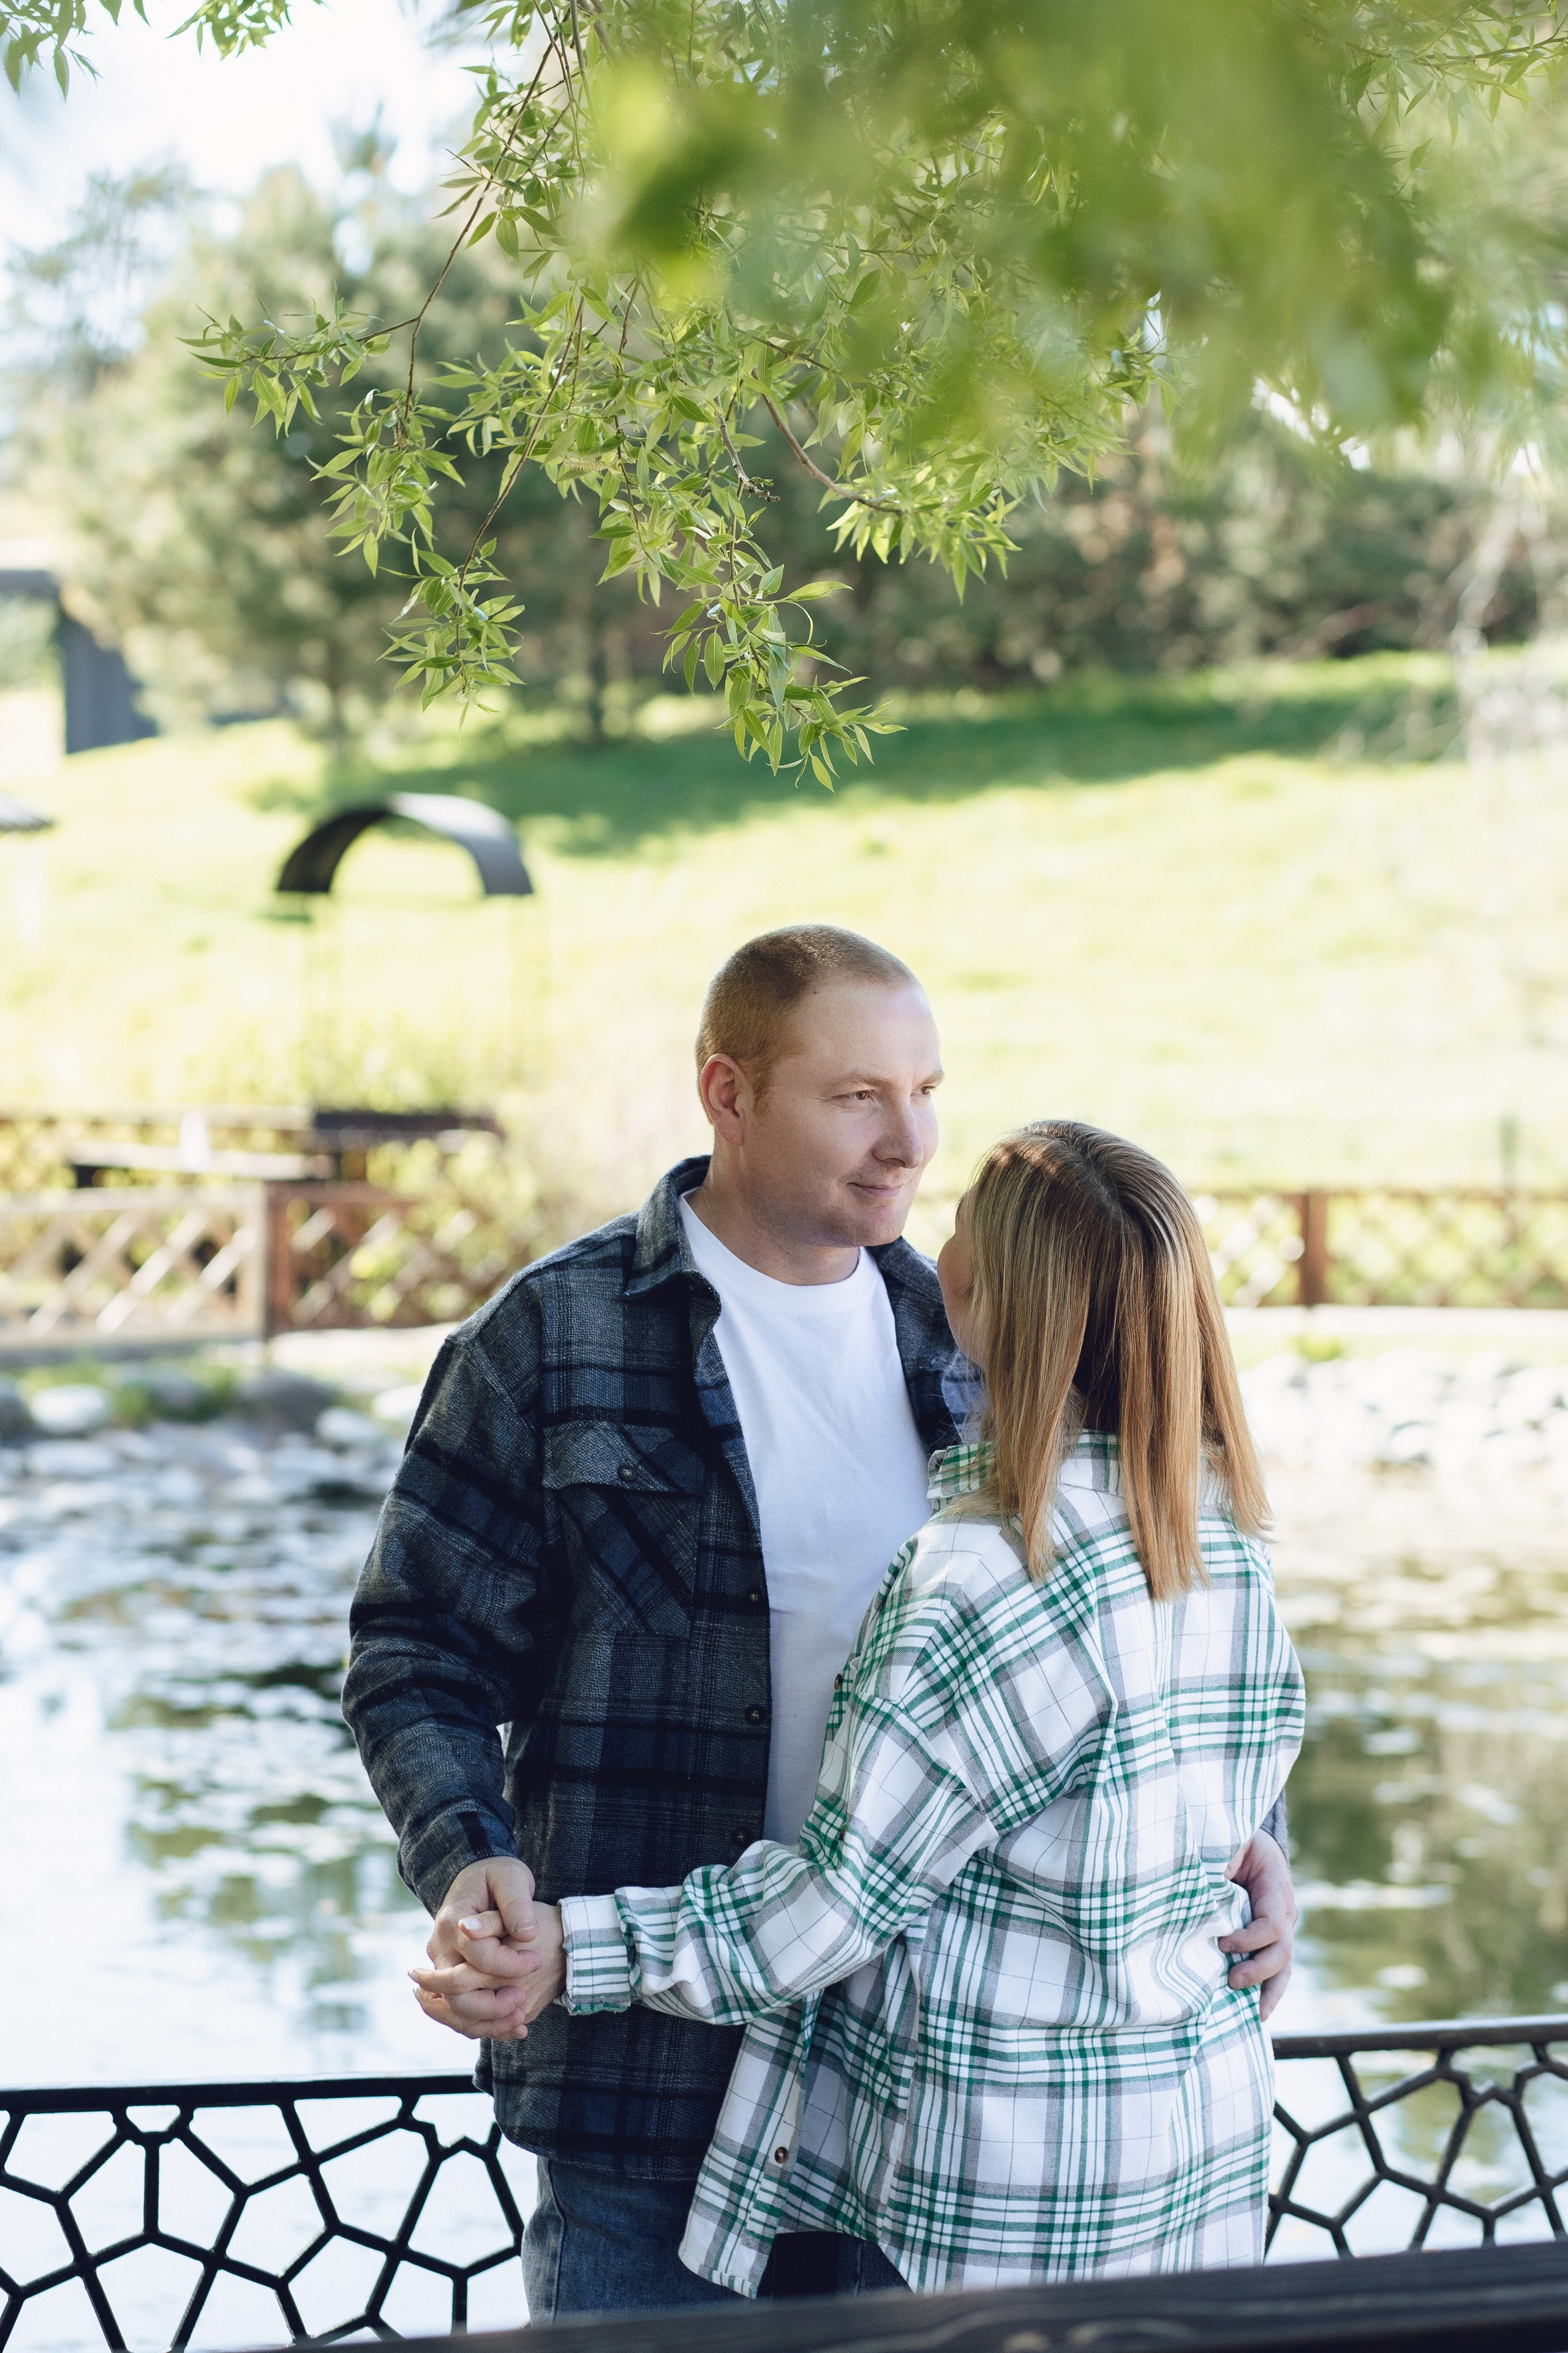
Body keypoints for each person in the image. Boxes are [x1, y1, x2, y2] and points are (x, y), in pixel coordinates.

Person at [347, 931, 1297, 2317]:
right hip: (650, 2086)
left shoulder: (977, 1337)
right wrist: (466, 1857)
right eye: (856, 1096)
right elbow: (416, 1649)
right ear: (725, 1093)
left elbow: (1123, 1664)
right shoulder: (553, 1339)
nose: (908, 1141)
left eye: (925, 1090)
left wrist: (1234, 1839)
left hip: (905, 2105)